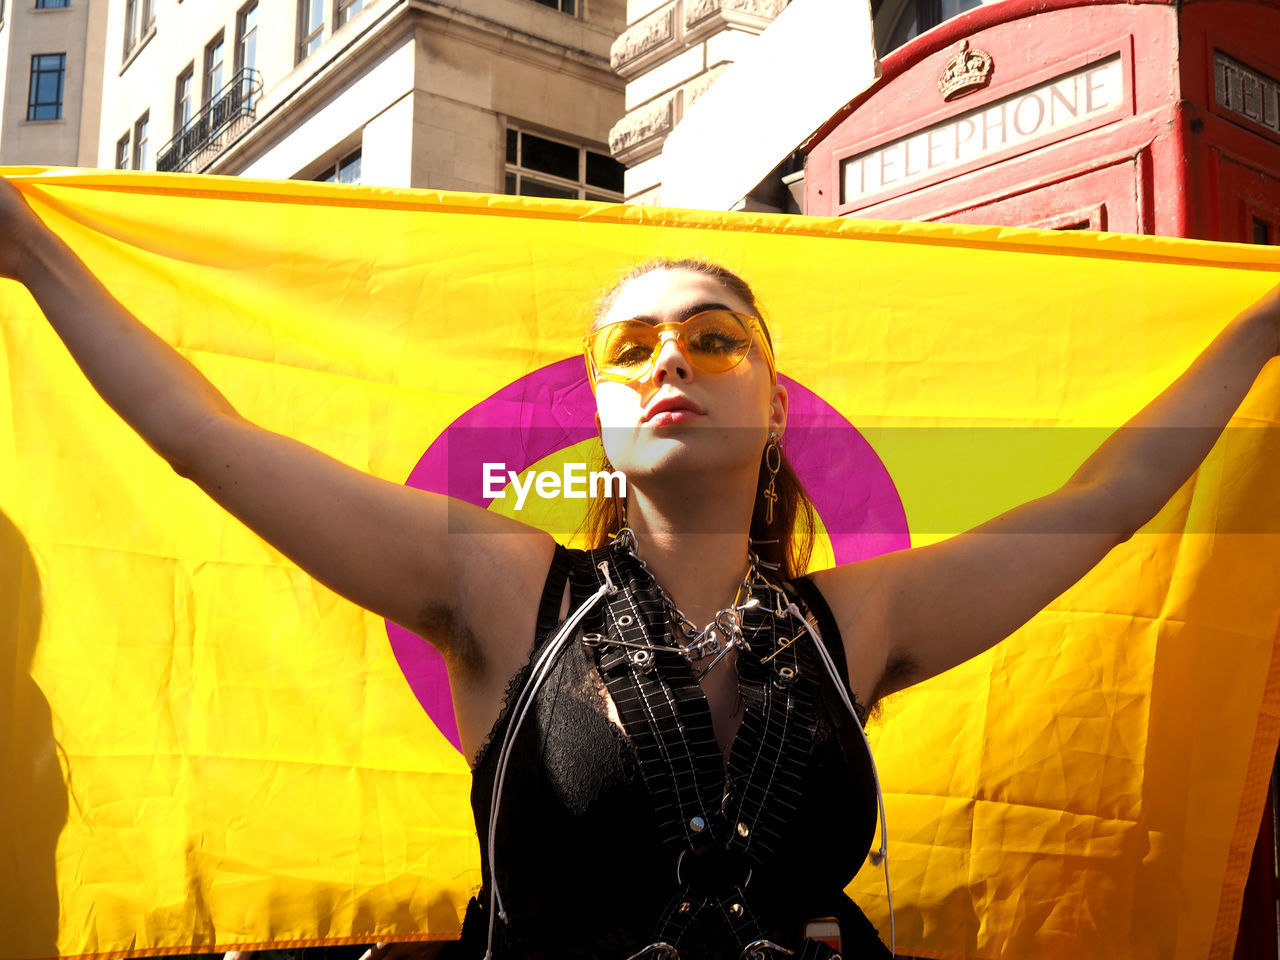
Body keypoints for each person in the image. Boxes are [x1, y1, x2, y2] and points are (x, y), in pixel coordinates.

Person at [1, 176, 1278, 960]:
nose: (670, 363)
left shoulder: (865, 617)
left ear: (775, 404)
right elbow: (204, 440)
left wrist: (1262, 329)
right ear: (599, 406)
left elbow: (1102, 502)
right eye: (633, 348)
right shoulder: (496, 587)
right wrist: (30, 250)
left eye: (713, 341)